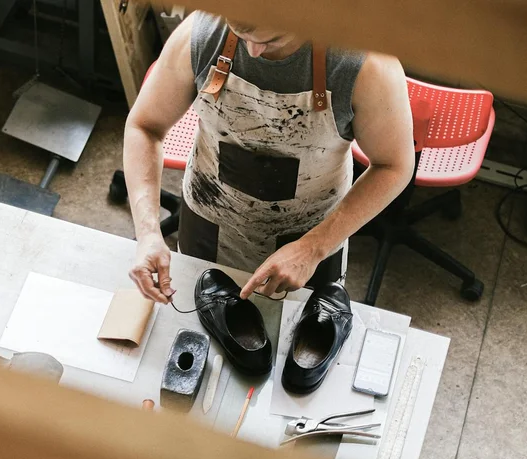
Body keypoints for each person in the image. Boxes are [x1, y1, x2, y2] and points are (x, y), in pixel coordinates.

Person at [123, 12, 415, 303]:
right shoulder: (201, 35)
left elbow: (394, 166)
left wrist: (314, 248)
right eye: (241, 33)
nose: (252, 51)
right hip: (208, 222)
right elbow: (144, 127)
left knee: (297, 338)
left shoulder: (365, 63)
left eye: (271, 38)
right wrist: (148, 233)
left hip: (309, 235)